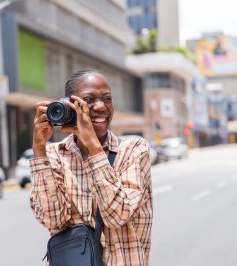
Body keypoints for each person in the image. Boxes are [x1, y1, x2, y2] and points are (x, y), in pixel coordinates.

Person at [29, 70, 153, 266]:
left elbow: (118, 214)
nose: (101, 106)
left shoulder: (134, 150)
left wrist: (93, 148)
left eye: (107, 98)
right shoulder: (54, 154)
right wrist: (38, 149)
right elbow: (53, 220)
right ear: (70, 104)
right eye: (89, 99)